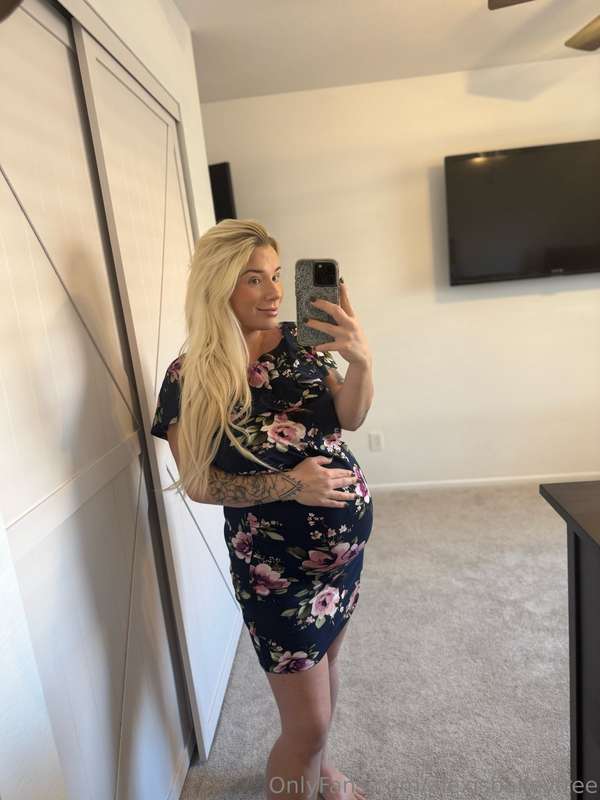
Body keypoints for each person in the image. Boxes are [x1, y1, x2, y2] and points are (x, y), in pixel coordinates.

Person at [150, 219, 374, 800]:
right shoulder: (189, 376)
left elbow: (350, 418)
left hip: (341, 565)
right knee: (307, 724)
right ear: (219, 284)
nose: (274, 293)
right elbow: (200, 484)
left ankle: (320, 768)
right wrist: (291, 485)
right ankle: (309, 759)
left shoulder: (301, 341)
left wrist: (361, 361)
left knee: (326, 673)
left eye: (276, 275)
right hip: (275, 571)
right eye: (254, 279)